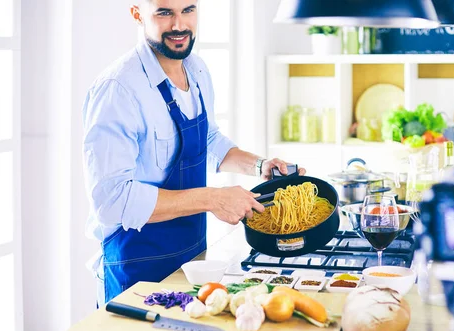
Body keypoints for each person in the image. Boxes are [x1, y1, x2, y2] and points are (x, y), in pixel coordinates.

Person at [82, 0, 305, 306]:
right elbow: (112, 201)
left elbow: (208, 139)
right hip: (136, 271)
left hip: (191, 264)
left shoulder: (196, 69)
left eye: (188, 10)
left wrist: (259, 166)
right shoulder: (118, 89)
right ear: (137, 14)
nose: (179, 25)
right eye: (164, 12)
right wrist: (213, 199)